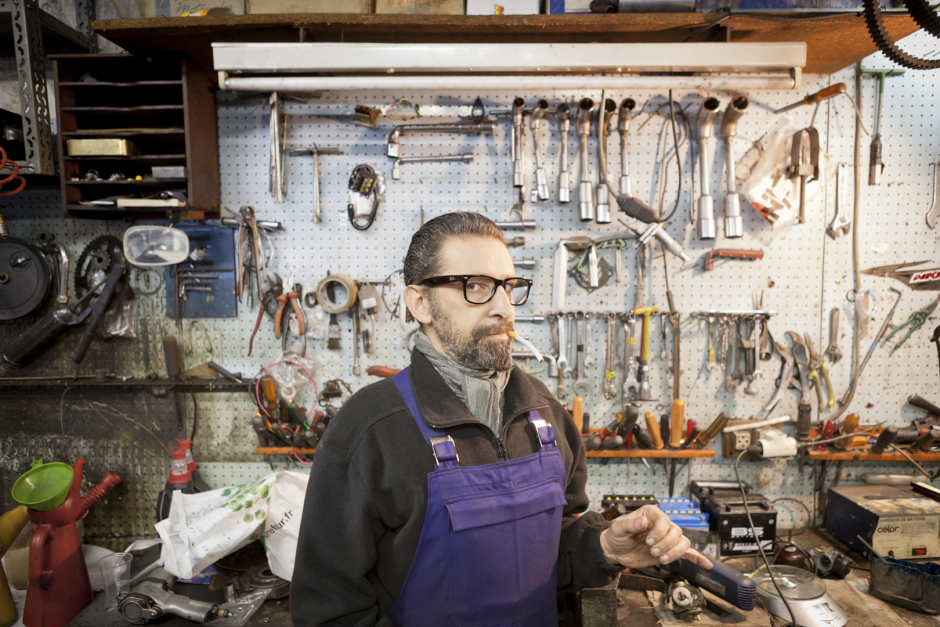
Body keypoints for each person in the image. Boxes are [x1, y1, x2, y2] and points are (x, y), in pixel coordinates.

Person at [291, 212, 711, 627]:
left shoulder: (546, 413)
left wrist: (604, 547)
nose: (504, 308)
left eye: (510, 287)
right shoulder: (369, 429)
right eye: (476, 286)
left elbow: (552, 542)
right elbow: (329, 608)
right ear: (421, 303)